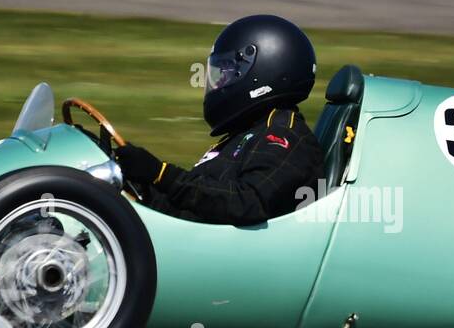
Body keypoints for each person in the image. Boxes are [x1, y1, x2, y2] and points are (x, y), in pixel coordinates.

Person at [114, 15, 325, 226]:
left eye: (228, 72)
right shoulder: (246, 132)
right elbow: (192, 210)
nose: (220, 81)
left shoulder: (284, 137)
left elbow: (246, 203)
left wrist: (161, 174)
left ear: (264, 70)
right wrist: (141, 186)